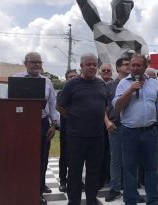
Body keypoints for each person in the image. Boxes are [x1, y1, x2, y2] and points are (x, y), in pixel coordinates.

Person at [112, 54, 158, 205]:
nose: (135, 68)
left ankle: (153, 200)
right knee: (130, 169)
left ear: (144, 66)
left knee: (151, 169)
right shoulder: (123, 84)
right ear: (130, 67)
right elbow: (117, 107)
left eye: (138, 65)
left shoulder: (154, 84)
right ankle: (130, 201)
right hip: (129, 132)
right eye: (133, 65)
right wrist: (130, 90)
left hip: (150, 132)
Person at [57, 53, 107, 205]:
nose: (92, 67)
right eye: (88, 64)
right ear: (82, 66)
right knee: (74, 173)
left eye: (94, 65)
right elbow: (59, 106)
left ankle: (92, 200)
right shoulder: (72, 84)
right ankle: (74, 201)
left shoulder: (101, 84)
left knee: (93, 172)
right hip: (76, 137)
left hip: (97, 137)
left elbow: (104, 105)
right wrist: (73, 118)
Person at [13, 52, 59, 204]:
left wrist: (53, 125)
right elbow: (10, 102)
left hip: (42, 122)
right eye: (33, 62)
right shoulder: (16, 78)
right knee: (24, 157)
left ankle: (38, 190)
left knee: (42, 157)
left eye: (39, 62)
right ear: (25, 63)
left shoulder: (47, 82)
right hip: (22, 124)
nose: (37, 65)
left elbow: (53, 105)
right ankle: (22, 187)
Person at [76, 0, 149, 73]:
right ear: (114, 9)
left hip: (123, 78)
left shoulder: (136, 39)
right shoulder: (100, 29)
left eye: (127, 11)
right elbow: (85, 6)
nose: (124, 14)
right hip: (105, 76)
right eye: (120, 9)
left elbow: (144, 61)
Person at [104, 57, 130, 202]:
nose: (129, 67)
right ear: (119, 68)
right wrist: (107, 121)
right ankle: (115, 189)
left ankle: (130, 189)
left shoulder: (135, 83)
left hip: (132, 127)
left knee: (131, 159)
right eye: (126, 65)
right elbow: (102, 106)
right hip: (115, 126)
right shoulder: (109, 85)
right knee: (115, 159)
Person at [58, 69, 79, 192]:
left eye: (75, 76)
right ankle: (62, 180)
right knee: (64, 155)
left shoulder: (81, 91)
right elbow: (60, 107)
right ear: (66, 79)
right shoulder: (62, 92)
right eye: (70, 77)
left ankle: (75, 180)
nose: (72, 78)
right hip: (66, 129)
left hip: (80, 130)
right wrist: (71, 117)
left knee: (77, 156)